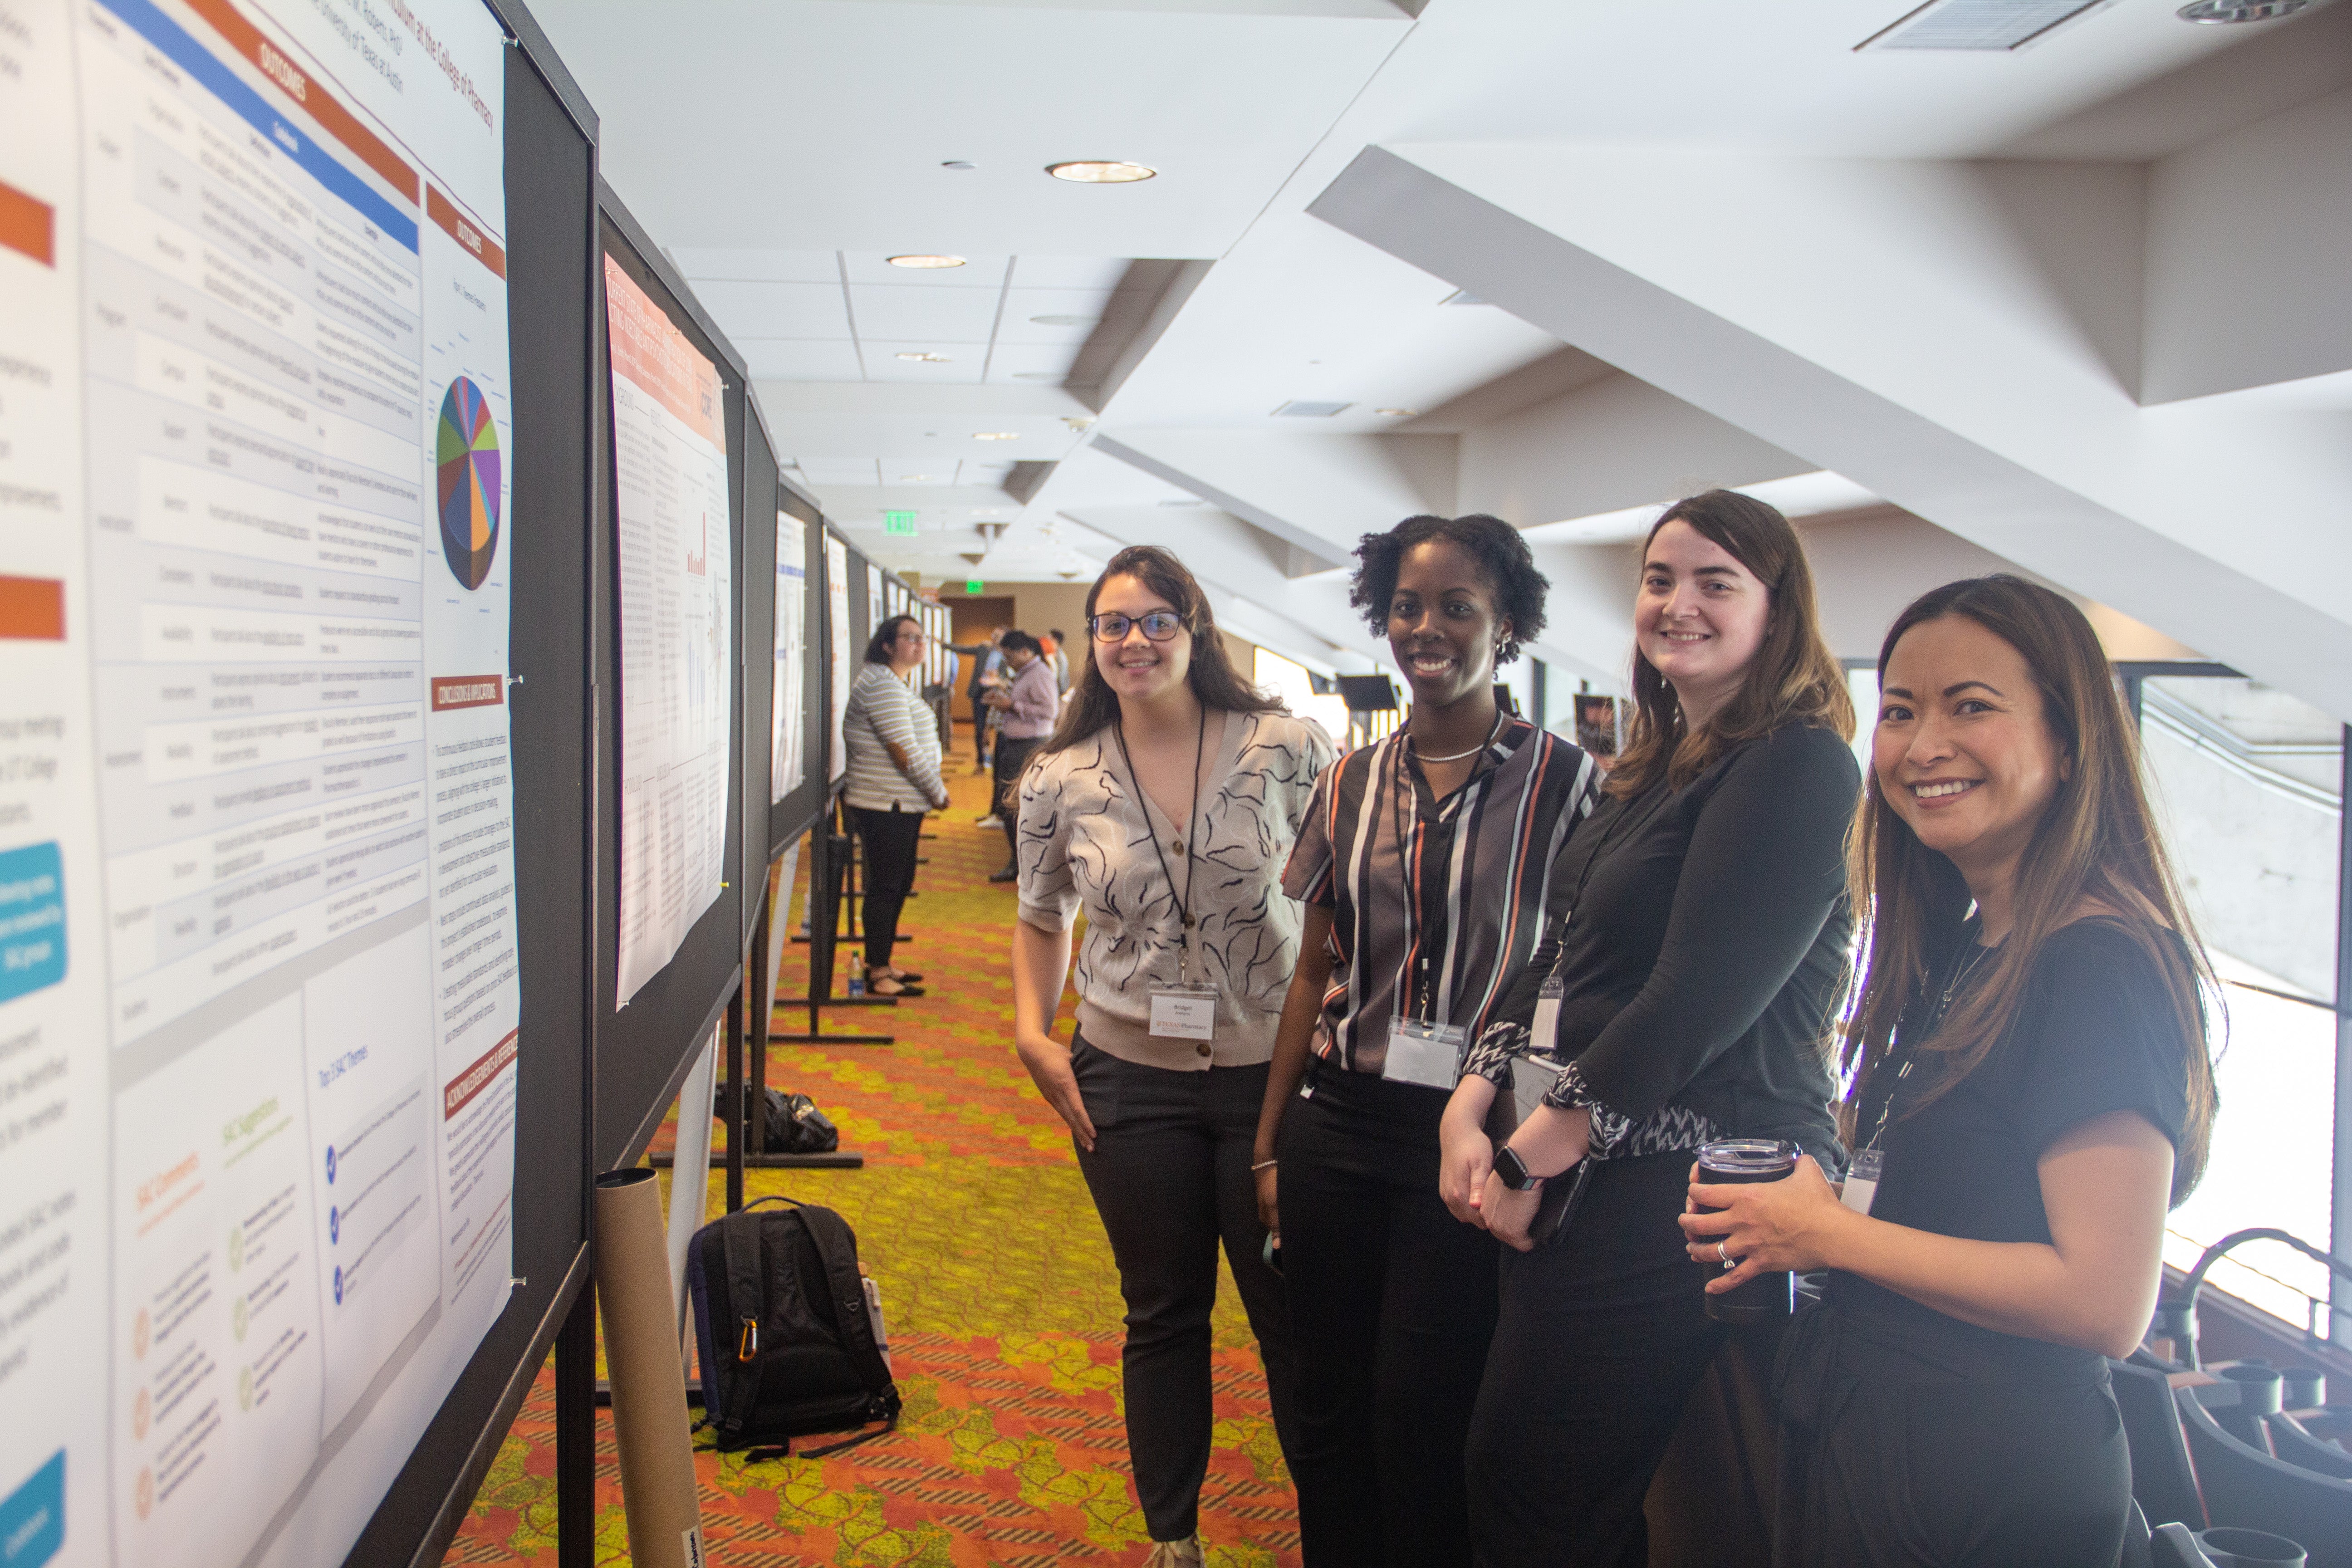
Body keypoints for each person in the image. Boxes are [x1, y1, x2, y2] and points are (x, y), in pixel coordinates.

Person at [1678, 574, 2217, 1568]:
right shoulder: (1979, 944)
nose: (1924, 745)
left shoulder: (2096, 964)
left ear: (2067, 740)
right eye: (1899, 712)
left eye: (1972, 707)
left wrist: (1832, 1234)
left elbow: (2106, 1301)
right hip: (1889, 1439)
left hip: (1987, 1483)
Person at [1441, 490, 1858, 1568]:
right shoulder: (1664, 758)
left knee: (1536, 1485)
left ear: (1778, 610)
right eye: (1659, 578)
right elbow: (1557, 950)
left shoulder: (1798, 764)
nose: (1676, 602)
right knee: (1531, 1481)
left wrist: (1530, 1155)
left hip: (1691, 1182)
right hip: (1594, 1164)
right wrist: (1471, 1095)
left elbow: (1689, 998)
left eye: (1715, 581)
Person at [1253, 514, 1598, 1568]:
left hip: (1466, 1137)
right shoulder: (1348, 780)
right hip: (1336, 1121)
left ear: (1508, 624)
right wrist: (1269, 1143)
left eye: (1457, 605)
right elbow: (1311, 969)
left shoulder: (1568, 784)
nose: (1425, 627)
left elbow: (1586, 973)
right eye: (1407, 605)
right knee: (1321, 1401)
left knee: (1420, 1408)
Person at [1010, 546, 1334, 1568]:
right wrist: (1032, 1027)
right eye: (1113, 624)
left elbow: (1347, 906)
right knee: (1162, 1313)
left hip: (1271, 1079)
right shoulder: (1058, 778)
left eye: (1156, 619)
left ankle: (1338, 1526)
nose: (1134, 640)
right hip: (1125, 1075)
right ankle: (1172, 1539)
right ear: (1091, 641)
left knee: (1295, 1316)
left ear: (1196, 626)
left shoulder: (1288, 746)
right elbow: (1039, 916)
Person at [842, 615, 951, 998]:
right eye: (911, 638)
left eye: (923, 639)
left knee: (897, 883)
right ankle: (878, 971)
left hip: (898, 802)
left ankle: (882, 962)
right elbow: (902, 751)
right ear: (887, 644)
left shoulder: (889, 681)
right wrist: (937, 792)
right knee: (886, 887)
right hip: (885, 801)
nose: (920, 645)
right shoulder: (882, 685)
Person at [984, 631, 1058, 882]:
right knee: (1010, 807)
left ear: (1026, 652)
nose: (1007, 661)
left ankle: (1023, 866)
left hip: (1029, 746)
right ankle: (1018, 864)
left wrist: (1012, 706)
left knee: (1018, 808)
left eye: (1009, 656)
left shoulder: (1040, 674)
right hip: (1017, 743)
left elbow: (1050, 711)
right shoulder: (1027, 673)